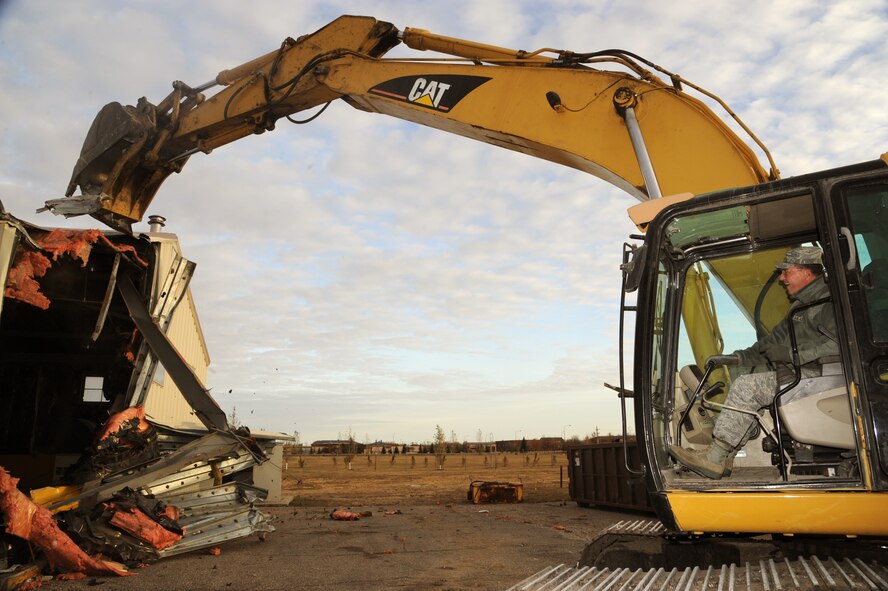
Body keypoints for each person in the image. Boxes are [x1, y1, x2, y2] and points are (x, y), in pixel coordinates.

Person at [669, 246, 838, 479]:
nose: (782, 278)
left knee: (748, 388)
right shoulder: (800, 308)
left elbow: (839, 346)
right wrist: (736, 358)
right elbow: (769, 345)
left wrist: (791, 354)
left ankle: (714, 457)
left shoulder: (829, 302)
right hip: (808, 372)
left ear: (805, 272)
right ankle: (725, 457)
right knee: (742, 374)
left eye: (786, 272)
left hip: (826, 376)